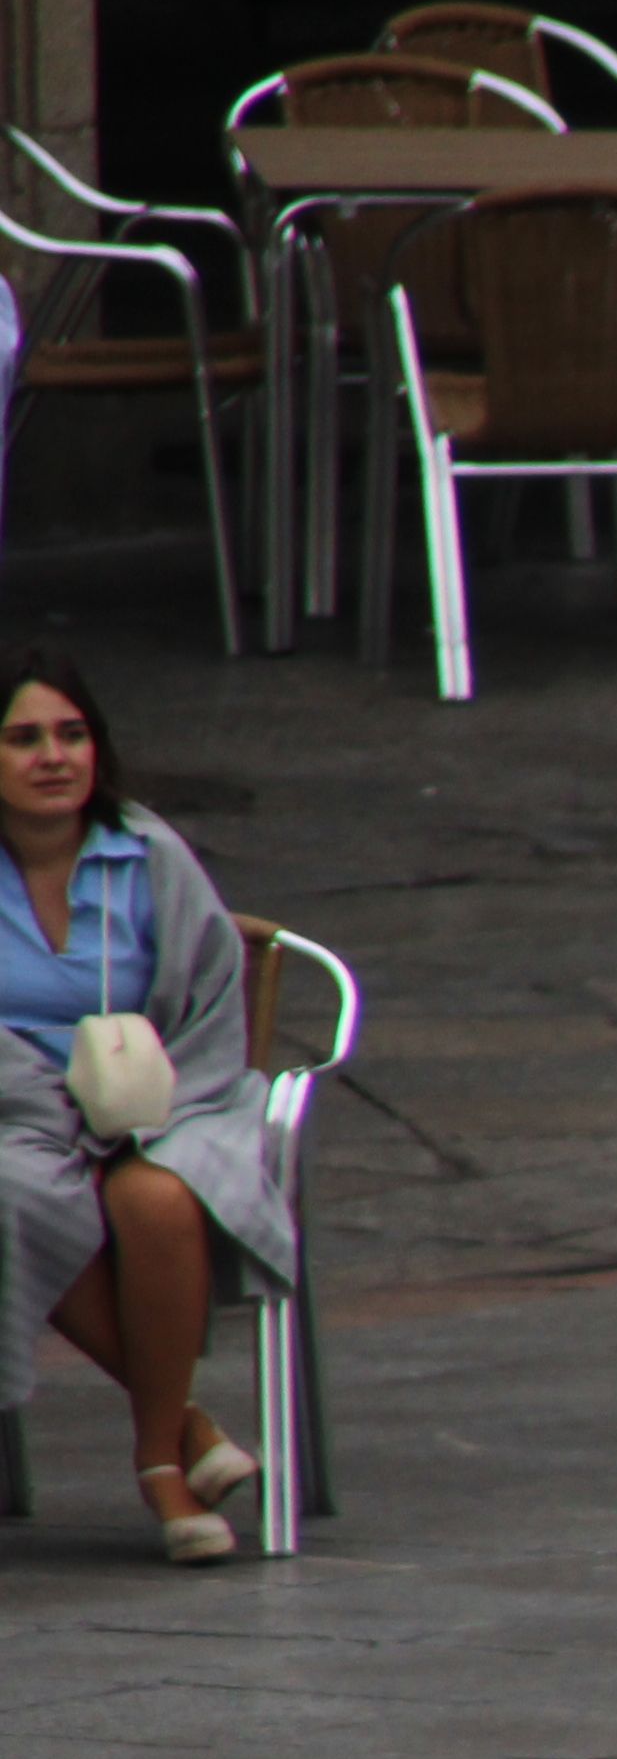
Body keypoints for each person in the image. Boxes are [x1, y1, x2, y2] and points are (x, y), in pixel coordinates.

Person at [0, 657, 287, 1566]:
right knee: (15, 1195)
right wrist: (53, 1108)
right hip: (17, 1111)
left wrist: (142, 1117)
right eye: (24, 738)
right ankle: (182, 1440)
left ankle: (154, 1450)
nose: (54, 757)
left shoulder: (148, 851)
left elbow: (210, 1001)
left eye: (72, 734)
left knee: (153, 1198)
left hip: (167, 1101)